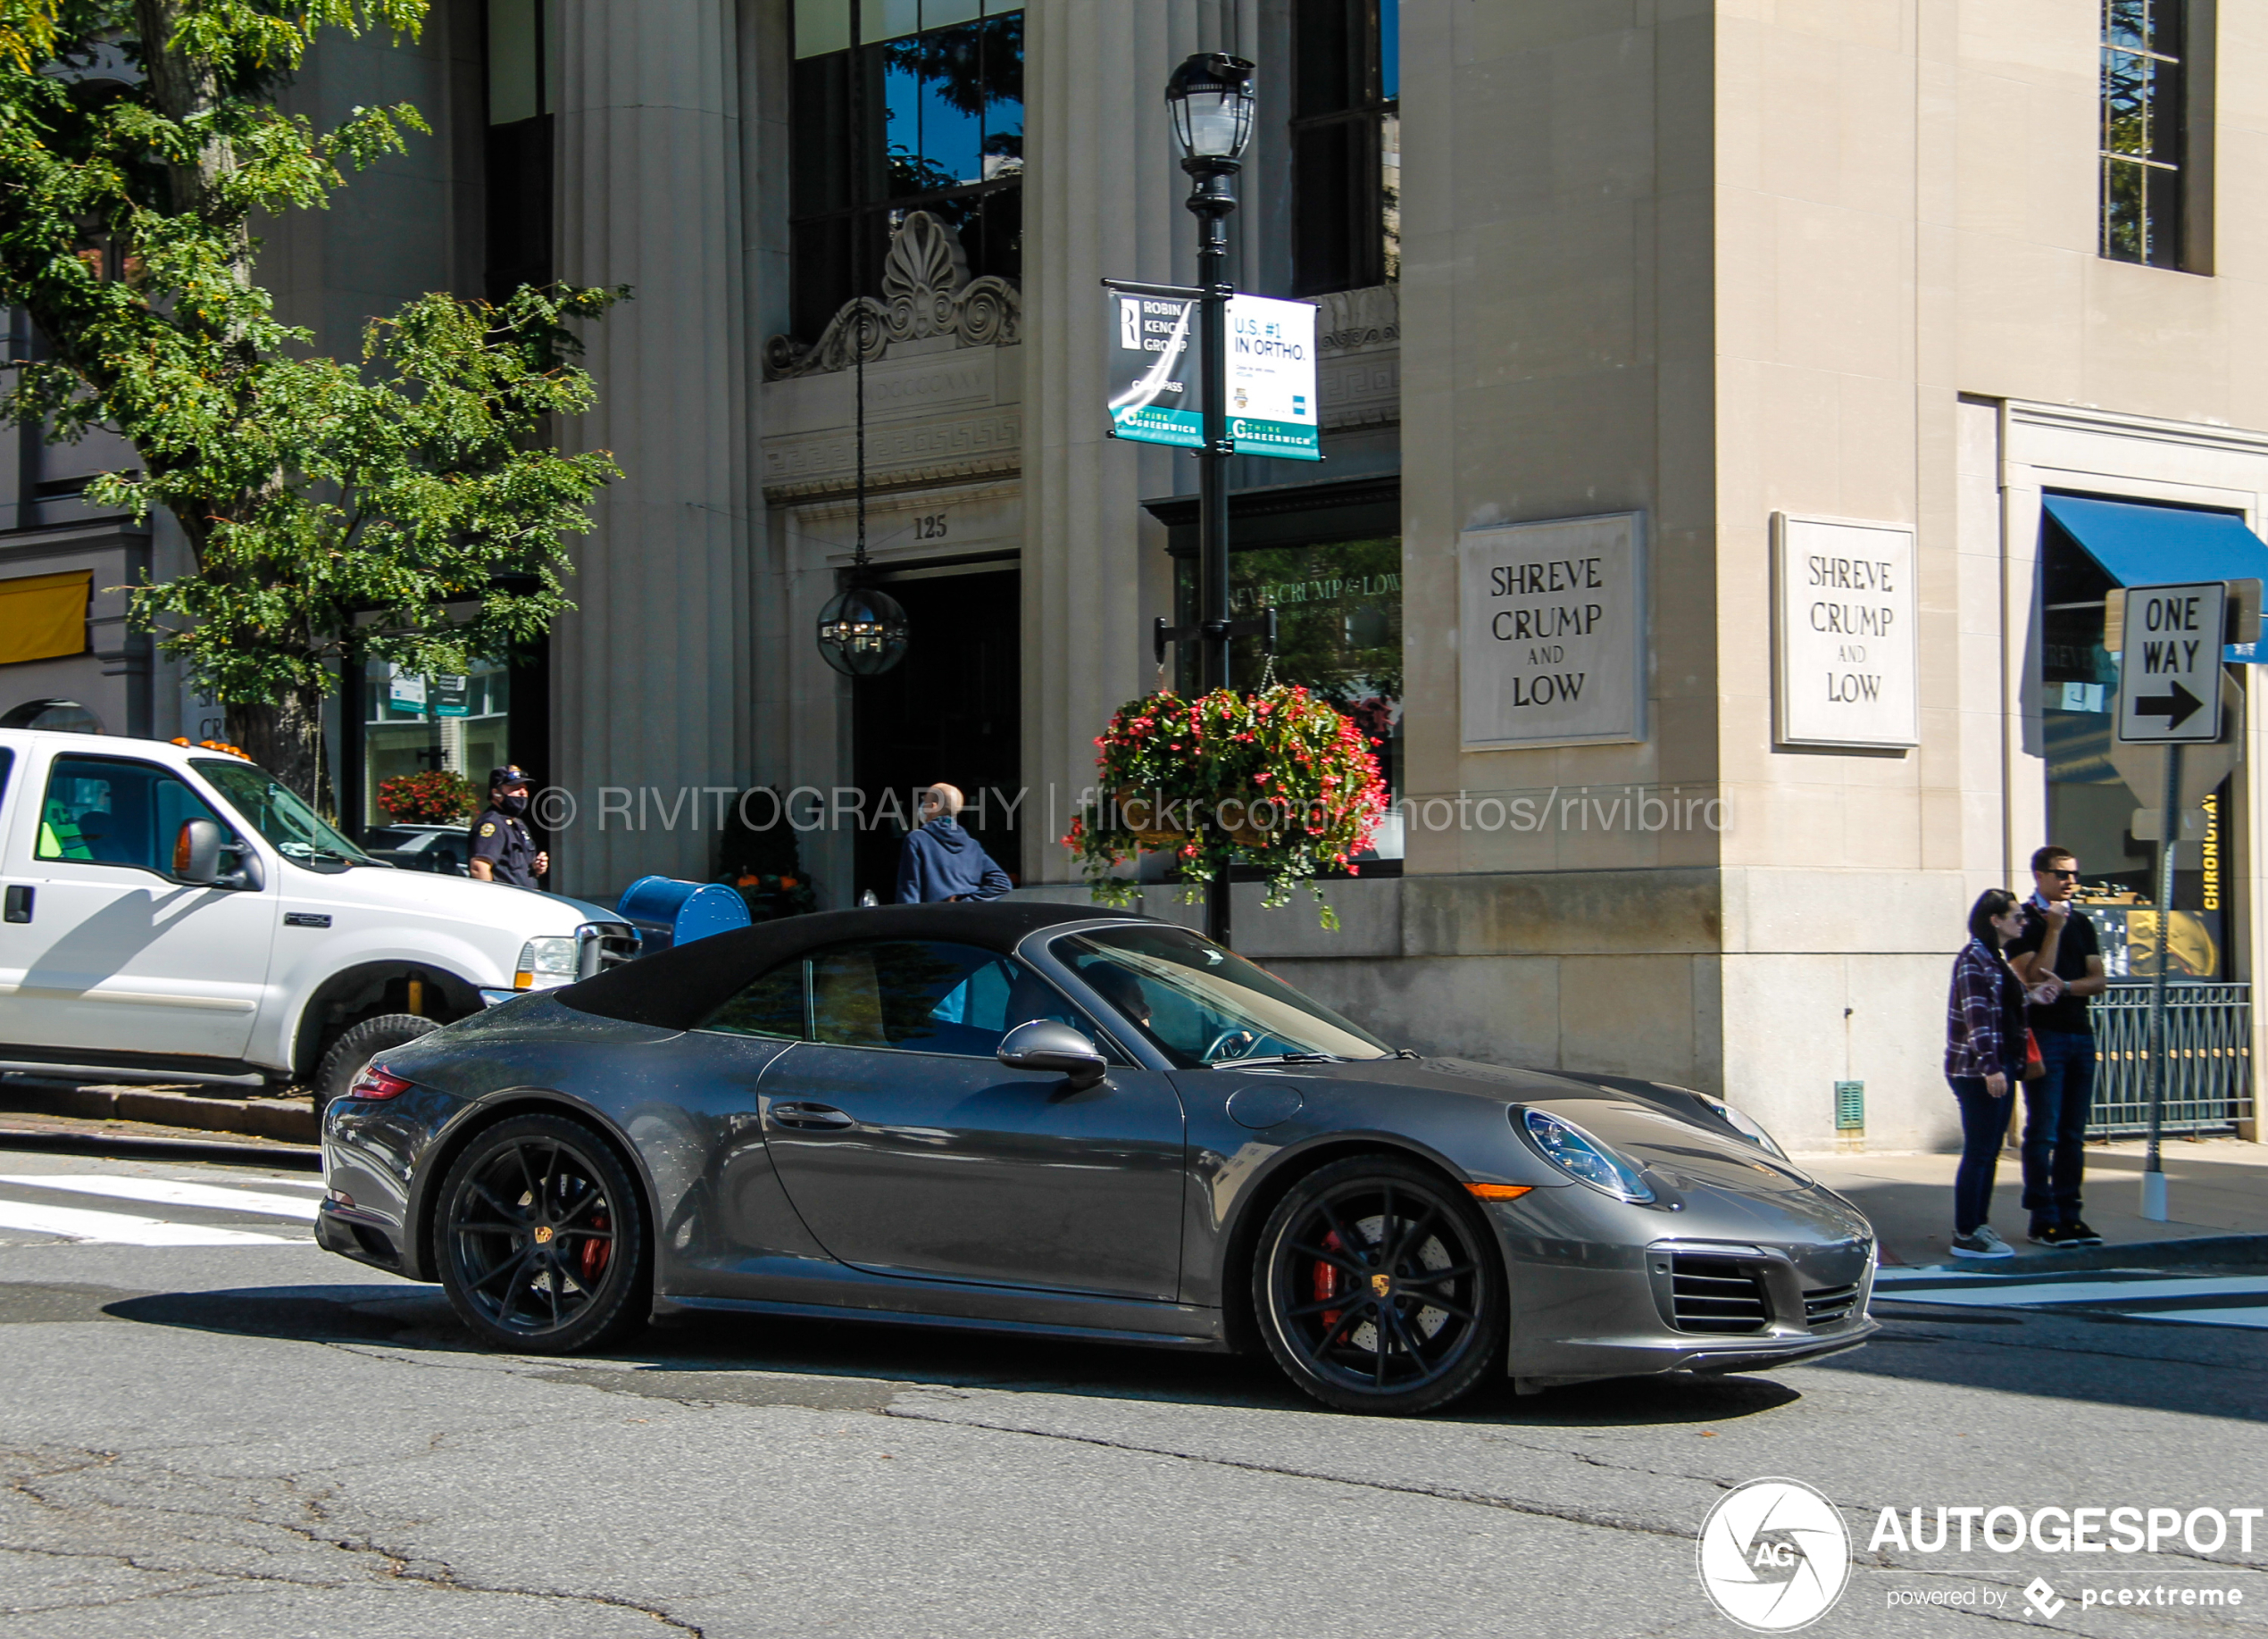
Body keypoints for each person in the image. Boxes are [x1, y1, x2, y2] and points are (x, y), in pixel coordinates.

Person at [2005, 844, 2106, 1248]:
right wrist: (2054, 929)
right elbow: (2030, 975)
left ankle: (2071, 1214)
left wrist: (2065, 986)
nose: (2071, 882)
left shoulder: (2083, 922)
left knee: (2072, 1133)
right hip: (2044, 1036)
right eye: (2063, 874)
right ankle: (2043, 1218)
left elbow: (2098, 981)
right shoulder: (2023, 921)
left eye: (2075, 875)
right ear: (2040, 876)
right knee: (2043, 1131)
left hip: (2081, 1034)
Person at [1944, 888, 2037, 1259]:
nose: (2023, 922)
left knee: (1988, 1152)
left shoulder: (1992, 958)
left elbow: (2002, 1005)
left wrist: (2035, 996)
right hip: (1977, 1071)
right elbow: (1977, 1018)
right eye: (2017, 916)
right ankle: (1966, 1232)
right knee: (1980, 1152)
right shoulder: (1974, 960)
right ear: (1995, 920)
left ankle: (1977, 1224)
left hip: (1996, 1067)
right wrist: (1990, 1067)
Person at [896, 783, 1011, 903]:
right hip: (967, 918)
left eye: (925, 801)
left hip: (931, 918)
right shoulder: (972, 846)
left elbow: (909, 889)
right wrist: (965, 902)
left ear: (933, 807)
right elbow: (1002, 883)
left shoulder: (917, 839)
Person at [469, 764, 548, 887]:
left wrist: (535, 868)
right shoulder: (493, 823)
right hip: (506, 902)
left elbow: (515, 870)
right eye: (516, 788)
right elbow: (479, 867)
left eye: (524, 788)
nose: (523, 793)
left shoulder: (518, 824)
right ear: (496, 794)